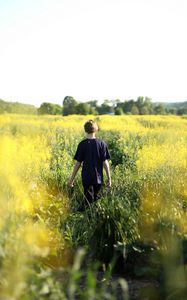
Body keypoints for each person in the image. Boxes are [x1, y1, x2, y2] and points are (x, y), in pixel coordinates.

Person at [68, 119, 111, 209]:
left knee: (88, 200)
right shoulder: (102, 144)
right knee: (97, 200)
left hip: (86, 178)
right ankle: (95, 218)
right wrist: (109, 178)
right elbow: (105, 163)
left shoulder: (82, 144)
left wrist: (71, 179)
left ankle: (85, 216)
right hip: (98, 178)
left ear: (85, 130)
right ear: (96, 129)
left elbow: (78, 163)